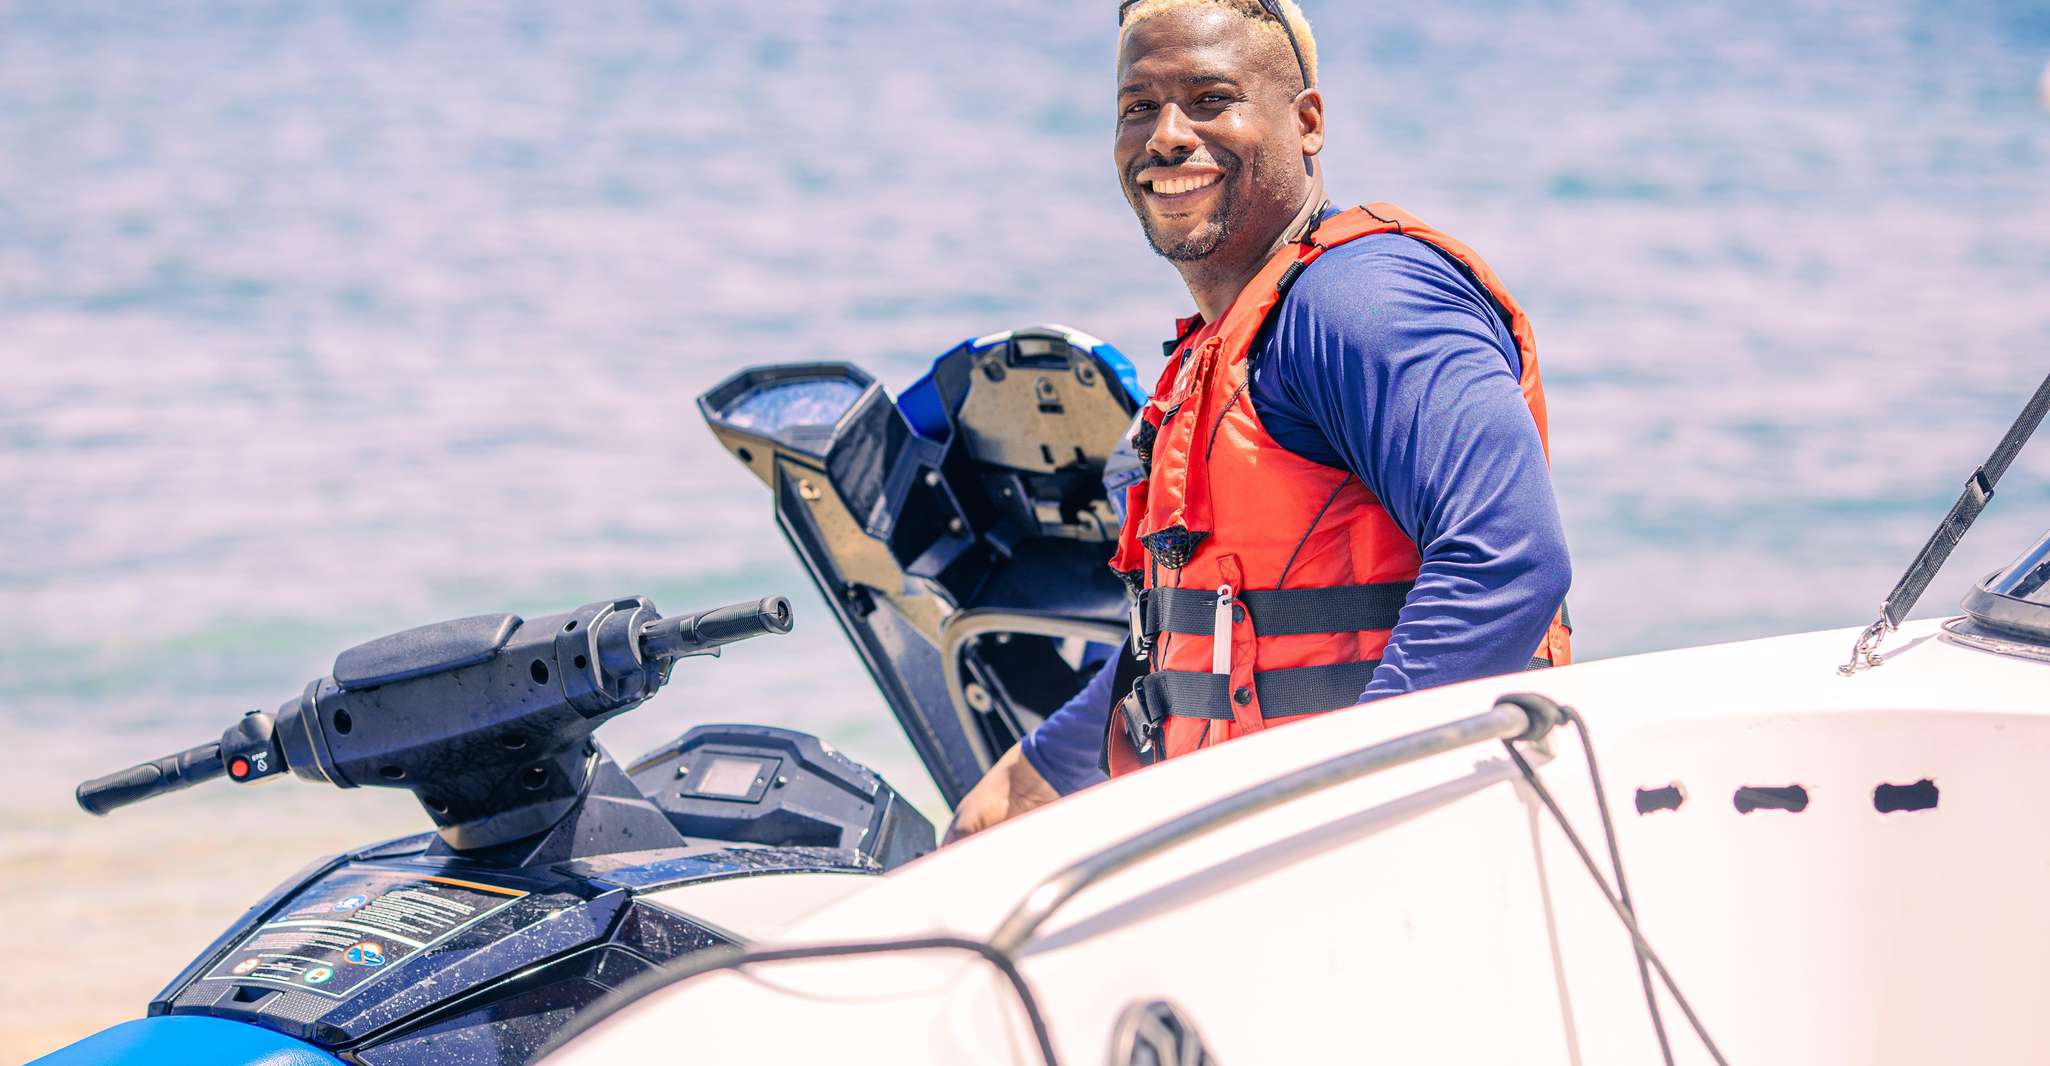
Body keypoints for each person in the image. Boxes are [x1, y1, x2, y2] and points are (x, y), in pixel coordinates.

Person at [946, 0, 1572, 840]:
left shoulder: (1362, 303)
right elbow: (1190, 635)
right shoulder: (1224, 349)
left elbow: (1508, 561)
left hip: (1405, 842)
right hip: (1262, 838)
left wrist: (1336, 806)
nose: (1166, 135)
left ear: (1306, 122)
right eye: (1139, 107)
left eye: (1210, 98)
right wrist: (1041, 771)